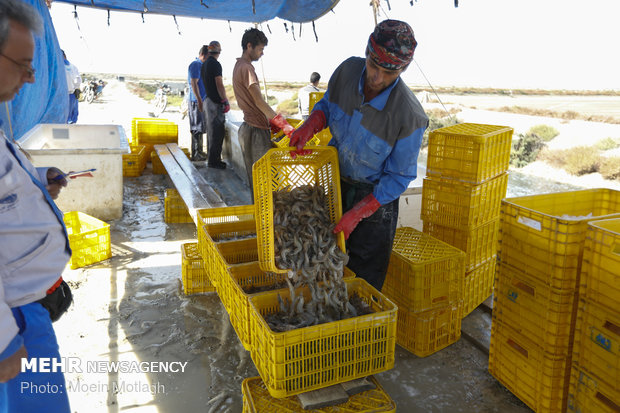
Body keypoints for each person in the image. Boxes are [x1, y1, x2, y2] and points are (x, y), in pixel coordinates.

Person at [289, 19, 428, 291]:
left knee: (363, 277)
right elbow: (328, 104)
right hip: (336, 183)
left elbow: (399, 177)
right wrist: (312, 123)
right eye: (373, 65)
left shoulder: (409, 116)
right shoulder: (347, 71)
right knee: (322, 258)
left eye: (388, 72)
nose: (377, 77)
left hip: (375, 201)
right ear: (366, 53)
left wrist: (358, 213)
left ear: (404, 68)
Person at [0, 1, 74, 412]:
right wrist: (4, 340)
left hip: (29, 312)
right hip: (14, 321)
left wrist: (38, 179)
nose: (31, 79)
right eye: (24, 65)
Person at [232, 27, 294, 189]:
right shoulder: (247, 68)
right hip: (256, 132)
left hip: (248, 127)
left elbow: (252, 102)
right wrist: (283, 124)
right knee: (264, 181)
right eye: (260, 49)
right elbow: (259, 101)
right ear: (249, 46)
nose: (262, 53)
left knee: (255, 181)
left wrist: (269, 119)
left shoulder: (238, 66)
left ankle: (260, 213)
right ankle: (266, 214)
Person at [200, 40, 229, 169]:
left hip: (207, 100)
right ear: (219, 52)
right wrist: (225, 100)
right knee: (217, 132)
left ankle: (212, 159)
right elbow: (219, 84)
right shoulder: (216, 65)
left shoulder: (204, 64)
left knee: (211, 132)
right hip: (214, 103)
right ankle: (214, 161)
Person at [187, 45, 208, 161]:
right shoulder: (195, 64)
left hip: (201, 100)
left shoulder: (201, 65)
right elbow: (194, 83)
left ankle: (200, 151)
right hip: (196, 101)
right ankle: (195, 153)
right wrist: (199, 100)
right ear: (203, 55)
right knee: (196, 127)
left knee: (200, 126)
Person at [62, 49, 81, 124]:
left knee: (64, 119)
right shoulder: (73, 66)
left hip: (63, 96)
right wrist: (76, 88)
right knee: (72, 117)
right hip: (72, 94)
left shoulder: (58, 67)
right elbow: (78, 80)